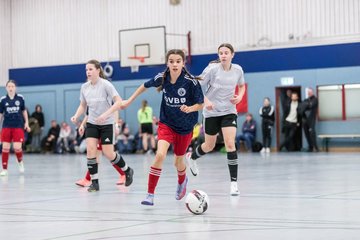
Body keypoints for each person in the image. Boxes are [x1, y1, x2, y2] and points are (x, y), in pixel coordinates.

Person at [122, 49, 204, 206]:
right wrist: (130, 100)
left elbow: (201, 103)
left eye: (178, 61)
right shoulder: (163, 77)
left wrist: (190, 108)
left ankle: (182, 180)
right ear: (167, 63)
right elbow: (144, 86)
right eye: (171, 61)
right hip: (166, 124)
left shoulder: (191, 81)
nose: (174, 64)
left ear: (183, 63)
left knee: (178, 161)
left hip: (185, 127)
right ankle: (150, 195)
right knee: (160, 155)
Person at [186, 43, 246, 196]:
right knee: (209, 145)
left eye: (226, 53)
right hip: (211, 112)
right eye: (221, 53)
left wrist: (239, 97)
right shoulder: (212, 70)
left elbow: (242, 86)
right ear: (218, 55)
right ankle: (192, 157)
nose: (223, 55)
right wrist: (206, 101)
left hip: (229, 111)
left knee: (230, 144)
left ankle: (234, 184)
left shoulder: (238, 70)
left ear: (232, 54)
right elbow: (197, 87)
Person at [71, 59, 133, 192]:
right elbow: (83, 105)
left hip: (107, 124)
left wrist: (106, 115)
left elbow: (119, 102)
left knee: (108, 153)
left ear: (98, 70)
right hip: (92, 123)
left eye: (90, 69)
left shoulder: (106, 85)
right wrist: (76, 116)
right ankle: (94, 183)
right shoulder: (84, 87)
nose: (88, 72)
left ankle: (127, 170)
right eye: (86, 70)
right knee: (91, 151)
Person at [0, 80, 31, 176]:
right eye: (9, 86)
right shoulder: (3, 99)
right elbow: (1, 114)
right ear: (6, 88)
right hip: (6, 126)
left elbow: (24, 111)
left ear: (15, 87)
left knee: (17, 147)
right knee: (5, 147)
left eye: (12, 86)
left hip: (18, 126)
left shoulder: (20, 98)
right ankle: (4, 169)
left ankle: (20, 162)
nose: (10, 88)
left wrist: (27, 123)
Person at [301, 88, 319, 152]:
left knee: (312, 133)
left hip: (311, 119)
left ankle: (316, 147)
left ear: (312, 92)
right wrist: (306, 105)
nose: (309, 93)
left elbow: (311, 105)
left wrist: (306, 105)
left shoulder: (315, 99)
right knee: (306, 134)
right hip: (305, 119)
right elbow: (301, 107)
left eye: (310, 92)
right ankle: (310, 147)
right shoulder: (305, 100)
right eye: (308, 92)